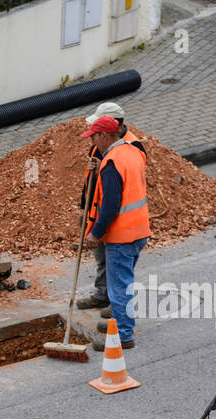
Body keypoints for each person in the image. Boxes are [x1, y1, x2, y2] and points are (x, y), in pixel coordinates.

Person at [81, 114, 150, 350]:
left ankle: (122, 334)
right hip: (139, 229)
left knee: (119, 287)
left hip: (122, 235)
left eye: (94, 137)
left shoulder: (111, 162)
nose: (92, 143)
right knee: (124, 283)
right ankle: (119, 323)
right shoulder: (131, 151)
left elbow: (110, 205)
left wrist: (95, 233)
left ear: (103, 135)